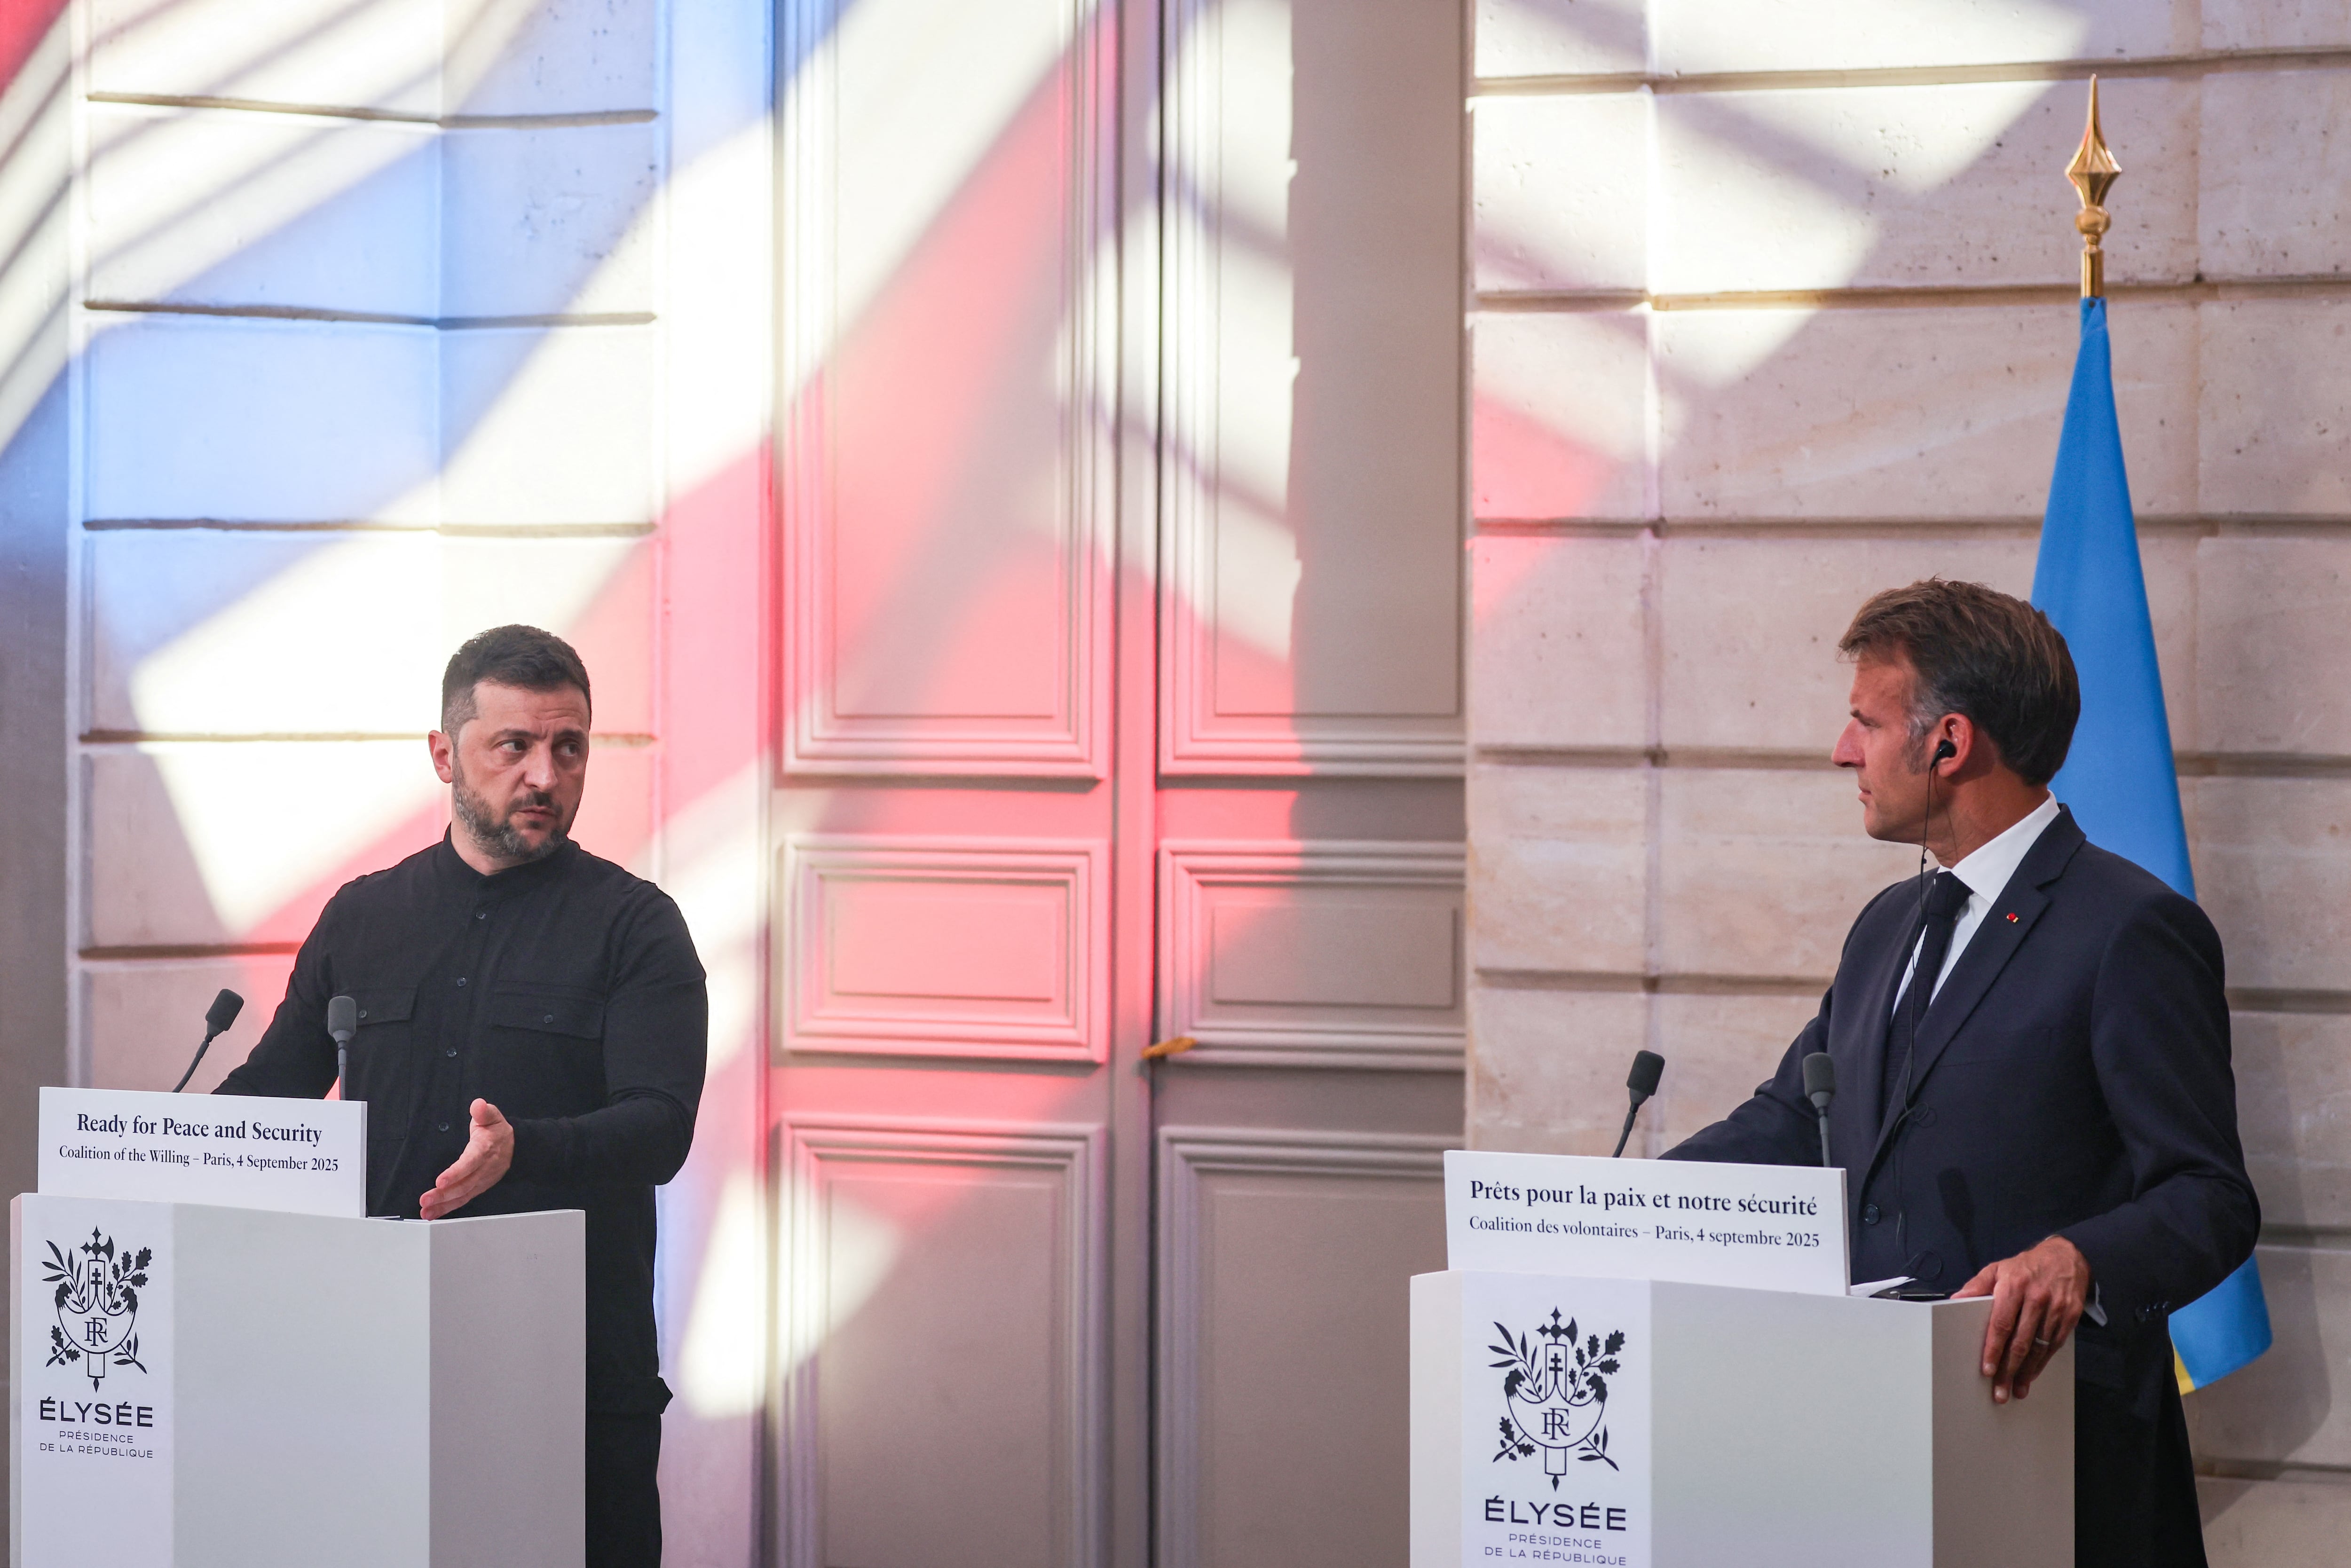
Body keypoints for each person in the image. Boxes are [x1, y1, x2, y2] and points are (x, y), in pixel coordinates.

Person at [1661, 579, 2256, 1568]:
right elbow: (1792, 1120)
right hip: (1859, 1442)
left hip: (2045, 1450)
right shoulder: (1887, 923)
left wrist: (2079, 1258)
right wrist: (1619, 1209)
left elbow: (2210, 1197)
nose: (1841, 752)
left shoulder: (2129, 930)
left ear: (1948, 744)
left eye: (1865, 723)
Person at [218, 624, 707, 1568]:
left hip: (569, 1375)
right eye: (513, 746)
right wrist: (152, 1145)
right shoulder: (362, 917)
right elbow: (273, 1091)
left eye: (569, 748)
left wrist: (526, 1147)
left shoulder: (636, 927)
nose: (545, 775)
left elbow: (659, 1131)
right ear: (445, 755)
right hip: (373, 1359)